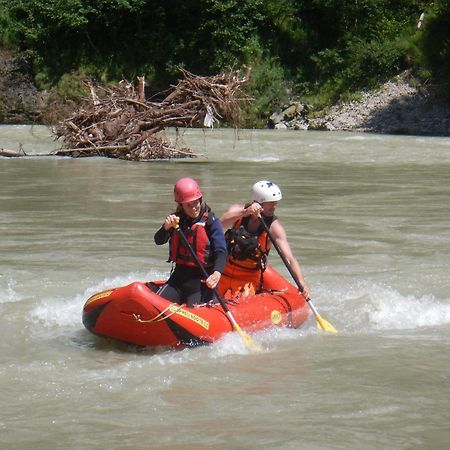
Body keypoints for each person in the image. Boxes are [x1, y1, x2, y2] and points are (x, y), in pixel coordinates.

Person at [219, 180, 310, 298]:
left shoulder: (274, 227)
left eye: (275, 202)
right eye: (271, 203)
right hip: (223, 273)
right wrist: (246, 212)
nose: (275, 206)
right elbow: (220, 223)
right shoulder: (238, 211)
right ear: (258, 201)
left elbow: (289, 258)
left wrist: (301, 282)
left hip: (248, 280)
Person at [152, 177, 227, 307]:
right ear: (181, 205)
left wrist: (217, 273)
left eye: (195, 203)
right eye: (188, 205)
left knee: (195, 313)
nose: (193, 208)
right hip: (178, 278)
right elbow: (158, 240)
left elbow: (221, 251)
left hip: (202, 280)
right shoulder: (176, 220)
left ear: (200, 200)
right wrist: (166, 228)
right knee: (154, 306)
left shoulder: (211, 222)